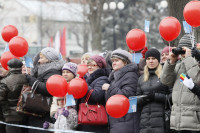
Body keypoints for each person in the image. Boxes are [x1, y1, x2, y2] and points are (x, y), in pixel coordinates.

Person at [160, 34, 200, 133]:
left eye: (184, 50)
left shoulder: (196, 64)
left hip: (194, 123)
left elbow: (197, 79)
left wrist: (189, 58)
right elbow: (165, 81)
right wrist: (171, 62)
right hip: (177, 121)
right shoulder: (178, 66)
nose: (182, 53)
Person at [25, 47, 65, 133]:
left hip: (43, 112)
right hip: (38, 111)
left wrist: (31, 79)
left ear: (49, 59)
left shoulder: (53, 72)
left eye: (41, 58)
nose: (39, 61)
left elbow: (47, 89)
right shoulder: (42, 70)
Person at [102, 49, 139, 133]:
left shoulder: (130, 75)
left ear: (125, 62)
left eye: (117, 60)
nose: (113, 63)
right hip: (116, 119)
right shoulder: (115, 77)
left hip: (126, 119)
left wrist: (110, 88)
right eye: (113, 61)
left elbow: (128, 95)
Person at [137, 48, 171, 133]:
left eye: (153, 58)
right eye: (148, 59)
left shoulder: (165, 75)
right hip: (144, 123)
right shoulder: (141, 79)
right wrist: (144, 99)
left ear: (158, 60)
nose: (150, 61)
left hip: (162, 121)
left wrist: (155, 97)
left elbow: (172, 97)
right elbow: (135, 101)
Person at [78, 55, 110, 133]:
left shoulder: (102, 78)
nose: (89, 67)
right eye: (88, 65)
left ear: (100, 66)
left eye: (93, 65)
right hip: (87, 118)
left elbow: (97, 96)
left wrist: (84, 84)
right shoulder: (88, 78)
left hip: (95, 120)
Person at [43, 62, 78, 132]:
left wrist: (68, 115)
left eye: (68, 72)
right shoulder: (59, 85)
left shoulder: (76, 86)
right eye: (63, 72)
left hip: (71, 117)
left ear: (74, 74)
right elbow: (55, 102)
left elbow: (72, 123)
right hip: (59, 116)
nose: (65, 74)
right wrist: (52, 117)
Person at [0, 59, 27, 133]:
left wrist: (6, 110)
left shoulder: (4, 82)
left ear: (8, 68)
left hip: (11, 116)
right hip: (27, 114)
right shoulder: (27, 79)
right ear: (21, 67)